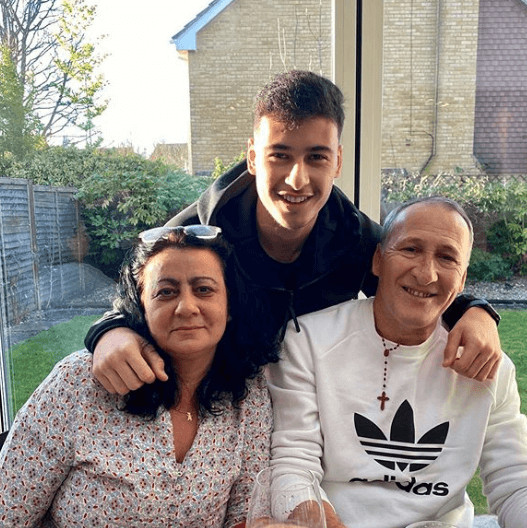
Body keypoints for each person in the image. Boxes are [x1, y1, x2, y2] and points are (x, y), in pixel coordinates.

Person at [85, 70, 502, 396]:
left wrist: (476, 312)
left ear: (337, 162)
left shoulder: (356, 239)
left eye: (316, 157)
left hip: (313, 406)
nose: (297, 179)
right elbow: (132, 300)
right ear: (252, 158)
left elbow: (417, 274)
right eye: (279, 156)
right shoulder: (196, 236)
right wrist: (108, 333)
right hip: (221, 406)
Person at [267, 197, 527, 528]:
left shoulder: (486, 364)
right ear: (378, 260)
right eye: (410, 249)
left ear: (462, 281)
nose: (425, 273)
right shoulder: (307, 341)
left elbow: (516, 479)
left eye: (446, 257)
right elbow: (293, 465)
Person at [0, 225, 275, 527]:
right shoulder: (78, 382)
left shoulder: (247, 393)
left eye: (204, 289)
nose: (186, 307)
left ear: (229, 306)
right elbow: (9, 510)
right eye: (166, 292)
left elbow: (245, 514)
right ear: (141, 306)